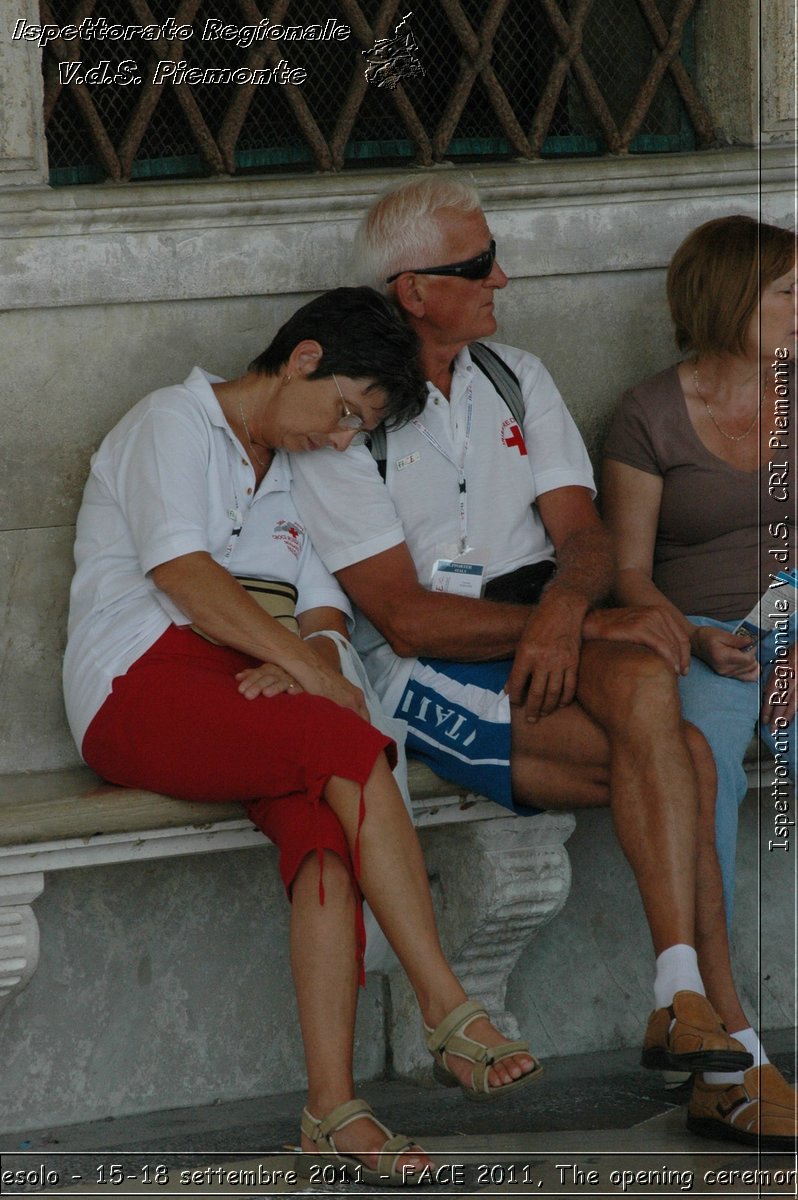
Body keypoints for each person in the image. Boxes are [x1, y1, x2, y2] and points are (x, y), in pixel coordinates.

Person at [288, 182, 797, 1150]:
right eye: (477, 266)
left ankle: (683, 997)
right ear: (413, 291)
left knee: (652, 682)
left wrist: (567, 610)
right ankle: (728, 1052)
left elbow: (586, 538)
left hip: (537, 629)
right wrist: (563, 628)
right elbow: (402, 617)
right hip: (420, 665)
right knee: (684, 762)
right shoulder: (347, 411)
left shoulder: (515, 374)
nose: (501, 277)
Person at [63, 287, 543, 1189]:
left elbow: (323, 610)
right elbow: (186, 574)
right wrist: (312, 675)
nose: (337, 437)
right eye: (343, 412)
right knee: (350, 747)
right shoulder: (173, 420)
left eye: (357, 429)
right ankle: (446, 1003)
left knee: (325, 835)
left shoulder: (290, 466)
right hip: (137, 680)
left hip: (246, 686)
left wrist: (309, 657)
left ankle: (333, 1111)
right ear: (304, 358)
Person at [602, 215, 796, 1142]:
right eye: (790, 294)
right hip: (704, 637)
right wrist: (697, 637)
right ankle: (730, 1046)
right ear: (731, 304)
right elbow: (630, 577)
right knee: (702, 770)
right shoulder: (648, 415)